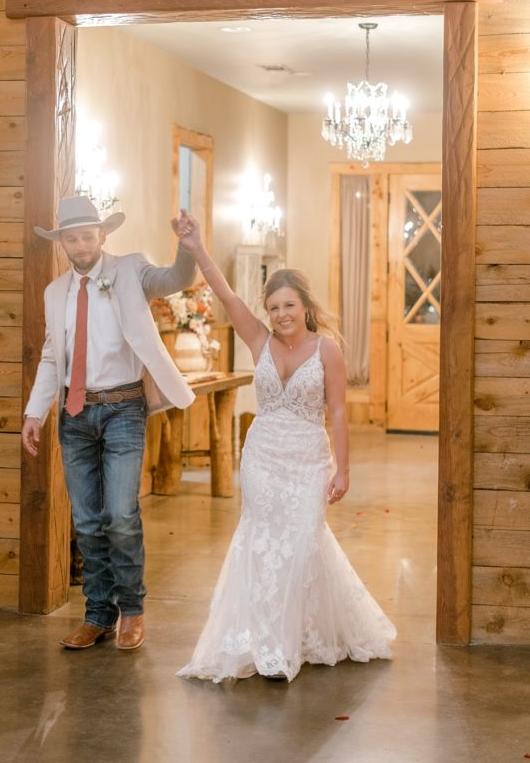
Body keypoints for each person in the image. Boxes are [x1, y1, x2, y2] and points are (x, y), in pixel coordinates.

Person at [173, 214, 396, 682]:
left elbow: (336, 412)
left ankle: (299, 632)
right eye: (273, 307)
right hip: (263, 458)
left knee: (300, 544)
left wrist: (343, 470)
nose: (281, 315)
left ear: (305, 306)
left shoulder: (327, 350)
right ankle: (267, 644)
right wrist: (195, 248)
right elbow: (225, 293)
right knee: (260, 544)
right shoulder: (259, 339)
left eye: (289, 305)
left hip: (307, 460)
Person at [22, 195, 196, 652]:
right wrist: (34, 412)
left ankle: (132, 611)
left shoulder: (130, 271)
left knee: (120, 515)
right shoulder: (54, 292)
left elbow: (178, 279)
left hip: (123, 408)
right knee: (86, 521)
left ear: (102, 236)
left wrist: (187, 247)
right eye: (72, 238)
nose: (81, 245)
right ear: (62, 243)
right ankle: (98, 613)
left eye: (88, 235)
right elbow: (49, 355)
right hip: (74, 413)